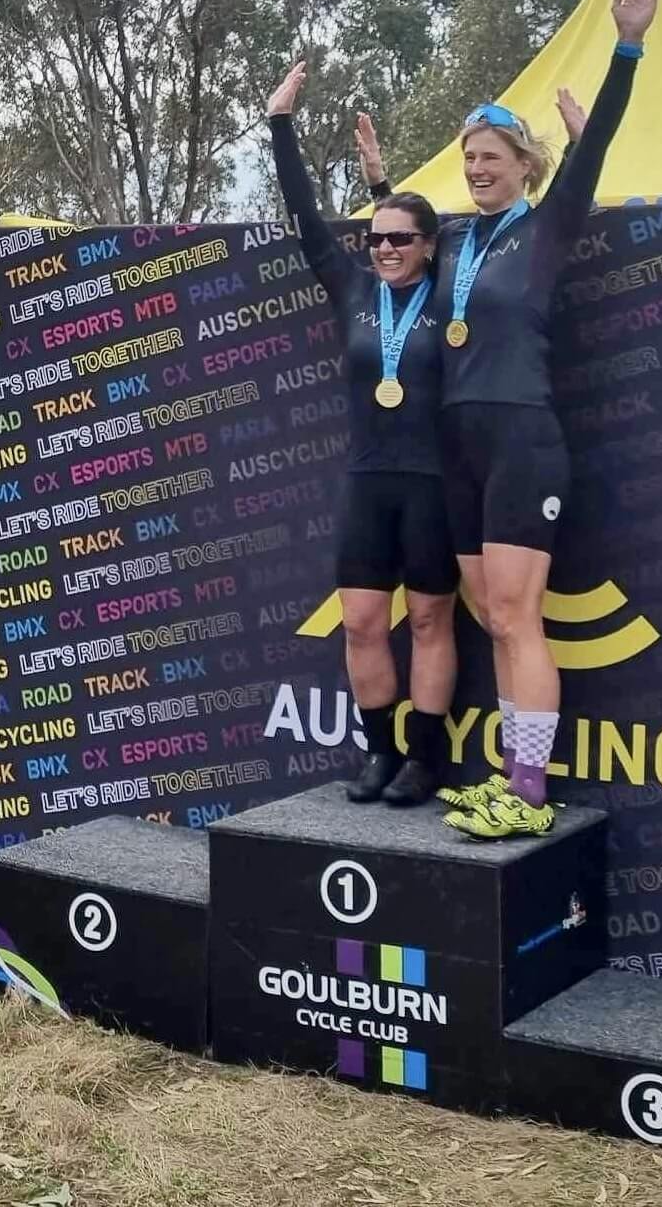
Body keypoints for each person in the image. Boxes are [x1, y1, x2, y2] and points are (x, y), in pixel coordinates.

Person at [429, 0, 659, 839]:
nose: (477, 168)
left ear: (526, 164)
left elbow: (593, 151)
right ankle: (505, 777)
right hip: (458, 447)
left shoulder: (547, 224)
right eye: (469, 159)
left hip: (523, 437)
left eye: (491, 156)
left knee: (519, 614)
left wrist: (626, 48)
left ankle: (526, 791)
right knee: (489, 613)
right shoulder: (452, 242)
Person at [267, 61, 457, 806]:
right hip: (366, 481)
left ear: (429, 244)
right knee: (361, 623)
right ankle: (379, 752)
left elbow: (415, 225)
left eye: (401, 239)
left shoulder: (450, 293)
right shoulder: (353, 290)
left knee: (434, 619)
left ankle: (425, 758)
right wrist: (280, 123)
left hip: (434, 483)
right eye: (376, 239)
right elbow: (307, 218)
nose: (384, 249)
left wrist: (387, 185)